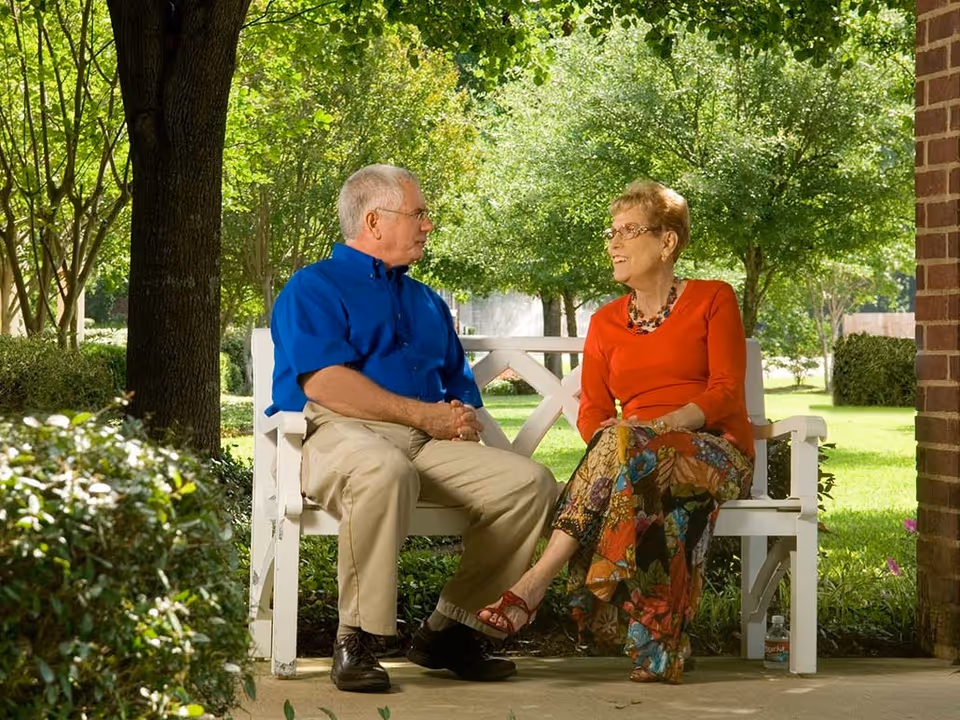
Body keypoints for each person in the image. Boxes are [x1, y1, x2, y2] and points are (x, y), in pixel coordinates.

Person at [268, 163, 557, 693]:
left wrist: (459, 416)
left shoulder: (425, 300)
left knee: (530, 484)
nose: (428, 225)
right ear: (374, 222)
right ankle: (355, 637)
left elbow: (457, 390)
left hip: (426, 444)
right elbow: (325, 384)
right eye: (418, 213)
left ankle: (449, 629)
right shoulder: (313, 286)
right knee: (384, 469)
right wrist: (424, 415)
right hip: (338, 433)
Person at [476, 180, 755, 685]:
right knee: (642, 478)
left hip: (713, 449)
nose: (613, 244)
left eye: (628, 231)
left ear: (667, 241)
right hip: (635, 463)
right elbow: (594, 412)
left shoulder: (714, 299)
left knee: (634, 450)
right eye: (612, 232)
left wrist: (659, 426)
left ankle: (537, 580)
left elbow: (725, 393)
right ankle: (661, 647)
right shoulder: (605, 322)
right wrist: (624, 438)